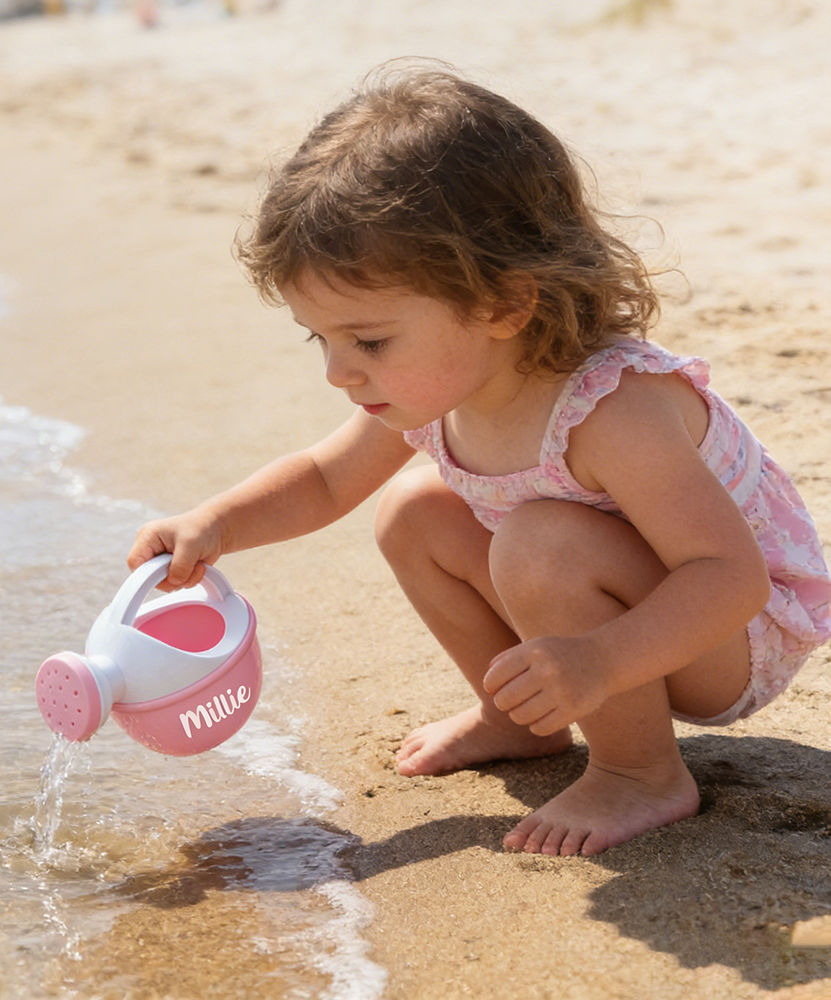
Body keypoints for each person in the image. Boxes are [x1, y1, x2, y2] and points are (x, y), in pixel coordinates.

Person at [127, 65, 831, 856]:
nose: (339, 372)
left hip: (730, 639)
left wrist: (600, 660)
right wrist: (215, 525)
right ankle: (520, 720)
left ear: (502, 303)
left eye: (369, 340)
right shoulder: (441, 386)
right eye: (319, 338)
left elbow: (728, 578)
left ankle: (640, 772)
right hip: (611, 615)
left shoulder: (611, 410)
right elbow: (326, 482)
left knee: (541, 540)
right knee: (411, 511)